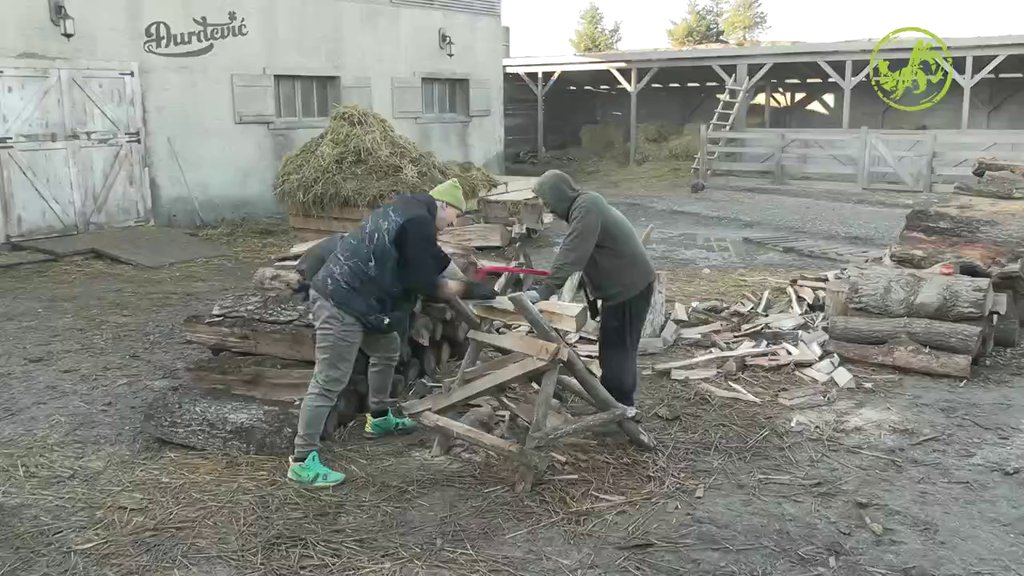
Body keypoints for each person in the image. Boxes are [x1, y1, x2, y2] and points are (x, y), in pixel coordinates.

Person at [287, 178, 497, 487]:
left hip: (367, 303)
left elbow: (436, 262)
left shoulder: (408, 211)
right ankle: (302, 461)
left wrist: (476, 283)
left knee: (386, 350)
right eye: (456, 215)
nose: (455, 223)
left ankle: (380, 417)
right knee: (330, 379)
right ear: (444, 205)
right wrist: (475, 290)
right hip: (340, 300)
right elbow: (430, 284)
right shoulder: (417, 222)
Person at [525, 170, 655, 417]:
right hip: (622, 288)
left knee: (618, 352)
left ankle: (622, 411)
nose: (548, 209)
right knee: (612, 349)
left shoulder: (587, 207)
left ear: (559, 195)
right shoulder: (584, 205)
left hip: (629, 287)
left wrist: (544, 289)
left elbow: (573, 251)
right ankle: (613, 405)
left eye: (548, 202)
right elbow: (583, 254)